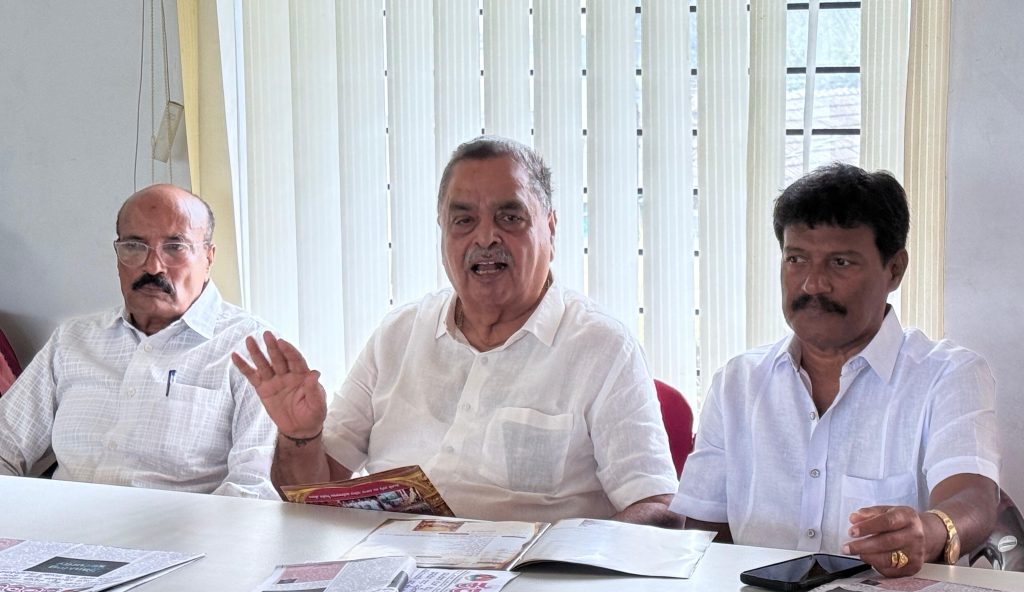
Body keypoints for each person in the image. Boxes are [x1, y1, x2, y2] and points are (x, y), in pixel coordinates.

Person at [234, 136, 679, 526]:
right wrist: (301, 435)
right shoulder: (398, 334)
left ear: (550, 228)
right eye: (463, 221)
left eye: (510, 217)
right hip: (391, 573)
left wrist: (564, 557)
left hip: (534, 585)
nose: (485, 238)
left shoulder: (601, 346)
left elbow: (656, 507)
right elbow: (311, 493)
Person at [670, 163, 1000, 576]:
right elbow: (704, 534)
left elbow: (973, 498)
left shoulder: (948, 376)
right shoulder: (738, 382)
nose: (813, 284)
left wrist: (929, 530)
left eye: (840, 263)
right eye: (796, 259)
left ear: (895, 269)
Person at [0, 184, 278, 497]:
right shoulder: (74, 340)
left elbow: (253, 489)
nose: (153, 266)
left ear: (208, 258)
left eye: (175, 247)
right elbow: (5, 446)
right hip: (58, 525)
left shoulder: (251, 349)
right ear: (118, 256)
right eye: (134, 246)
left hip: (180, 527)